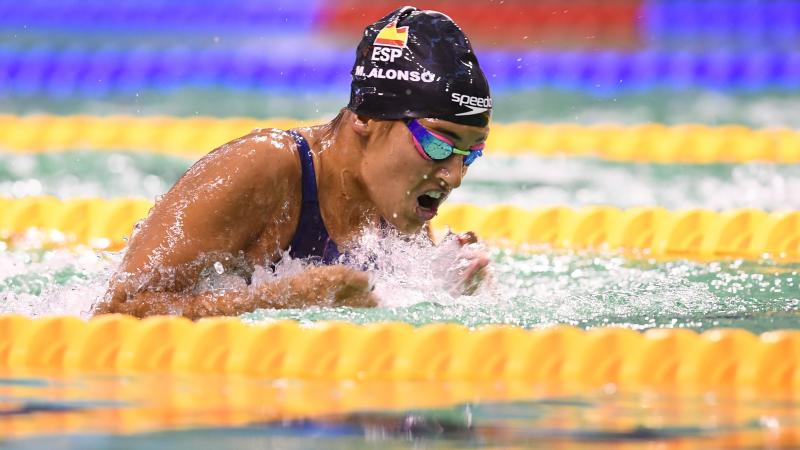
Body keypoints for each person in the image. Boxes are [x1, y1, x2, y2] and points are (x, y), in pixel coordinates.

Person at [93, 6, 492, 319]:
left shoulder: (393, 198)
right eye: (440, 146)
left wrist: (447, 292)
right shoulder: (264, 166)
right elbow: (116, 310)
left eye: (471, 153)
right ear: (367, 119)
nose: (454, 176)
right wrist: (273, 300)